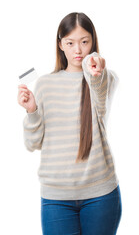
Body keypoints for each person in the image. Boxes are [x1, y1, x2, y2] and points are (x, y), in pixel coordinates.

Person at [17, 12, 122, 235]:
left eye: (85, 42)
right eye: (70, 43)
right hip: (56, 199)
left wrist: (96, 74)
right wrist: (32, 111)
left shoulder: (105, 78)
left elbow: (100, 100)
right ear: (60, 45)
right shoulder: (45, 84)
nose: (78, 50)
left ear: (93, 41)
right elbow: (32, 143)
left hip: (100, 195)